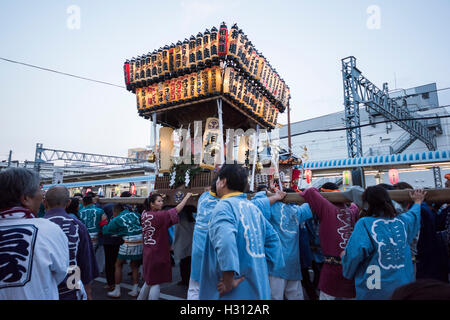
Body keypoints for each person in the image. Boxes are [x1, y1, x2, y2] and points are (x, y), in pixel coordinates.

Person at [198, 164, 284, 300]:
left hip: (235, 291)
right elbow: (273, 241)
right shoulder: (252, 207)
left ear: (223, 182)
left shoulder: (223, 206)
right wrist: (260, 267)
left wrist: (228, 280)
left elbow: (225, 241)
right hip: (258, 285)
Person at [341, 186, 426, 299]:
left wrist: (344, 259)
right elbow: (413, 215)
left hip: (374, 289)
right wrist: (418, 202)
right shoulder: (402, 221)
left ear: (367, 203)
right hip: (403, 288)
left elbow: (354, 254)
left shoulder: (364, 224)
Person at [0, 168, 69, 300]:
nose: (43, 194)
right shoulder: (49, 230)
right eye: (40, 189)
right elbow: (61, 272)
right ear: (26, 198)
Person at [300, 182, 360, 300]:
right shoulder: (352, 211)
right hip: (352, 265)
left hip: (331, 266)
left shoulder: (327, 209)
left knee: (326, 297)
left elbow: (310, 191)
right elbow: (355, 204)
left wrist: (322, 194)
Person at [43, 186, 99, 300]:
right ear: (68, 203)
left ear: (44, 203)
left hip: (44, 288)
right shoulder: (77, 226)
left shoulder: (37, 226)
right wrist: (88, 292)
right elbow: (85, 262)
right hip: (71, 286)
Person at [138, 192, 192, 300]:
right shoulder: (159, 215)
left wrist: (160, 197)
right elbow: (176, 210)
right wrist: (186, 197)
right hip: (158, 253)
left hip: (148, 252)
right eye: (159, 201)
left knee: (149, 280)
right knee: (155, 282)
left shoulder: (144, 214)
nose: (162, 203)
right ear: (152, 204)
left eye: (162, 201)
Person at [101, 203, 143, 298]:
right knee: (135, 265)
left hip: (129, 241)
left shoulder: (117, 219)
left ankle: (117, 290)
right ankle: (135, 290)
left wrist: (103, 221)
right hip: (140, 240)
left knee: (118, 265)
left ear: (115, 211)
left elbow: (105, 231)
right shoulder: (135, 214)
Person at [188, 177, 220, 300]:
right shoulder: (225, 203)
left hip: (198, 251)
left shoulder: (203, 197)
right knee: (213, 290)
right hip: (212, 254)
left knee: (195, 288)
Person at [79, 194, 105, 274]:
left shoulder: (79, 212)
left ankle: (86, 272)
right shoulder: (100, 211)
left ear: (83, 203)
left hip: (84, 236)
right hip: (97, 236)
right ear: (92, 202)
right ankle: (97, 270)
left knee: (85, 256)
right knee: (98, 255)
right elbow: (104, 223)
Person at [173, 205, 196, 287]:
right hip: (189, 242)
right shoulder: (191, 219)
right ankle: (188, 279)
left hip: (182, 242)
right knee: (189, 262)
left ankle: (185, 280)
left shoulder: (180, 217)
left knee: (183, 262)